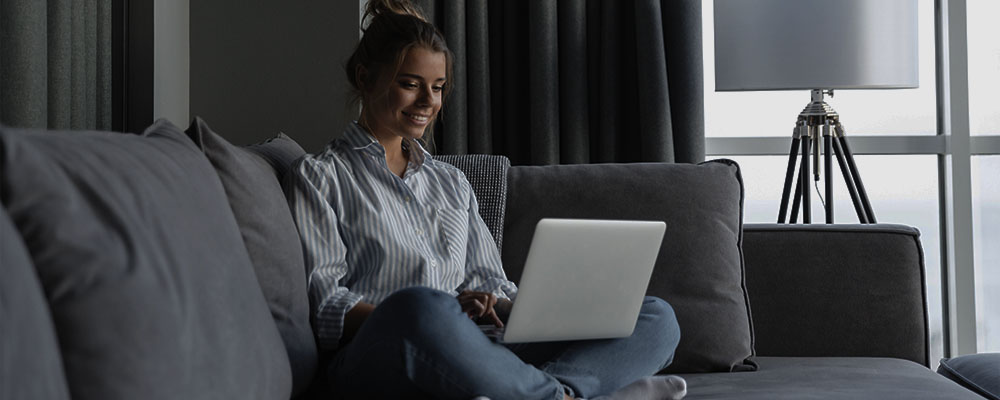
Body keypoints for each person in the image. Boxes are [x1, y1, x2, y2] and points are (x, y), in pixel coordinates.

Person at [284, 1, 685, 399]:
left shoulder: (451, 182)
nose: (429, 101)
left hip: (476, 344)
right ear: (365, 77)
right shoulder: (320, 176)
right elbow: (327, 306)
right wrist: (442, 314)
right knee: (420, 306)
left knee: (656, 317)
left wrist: (508, 306)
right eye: (410, 84)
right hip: (383, 352)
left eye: (438, 88)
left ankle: (562, 392)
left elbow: (488, 280)